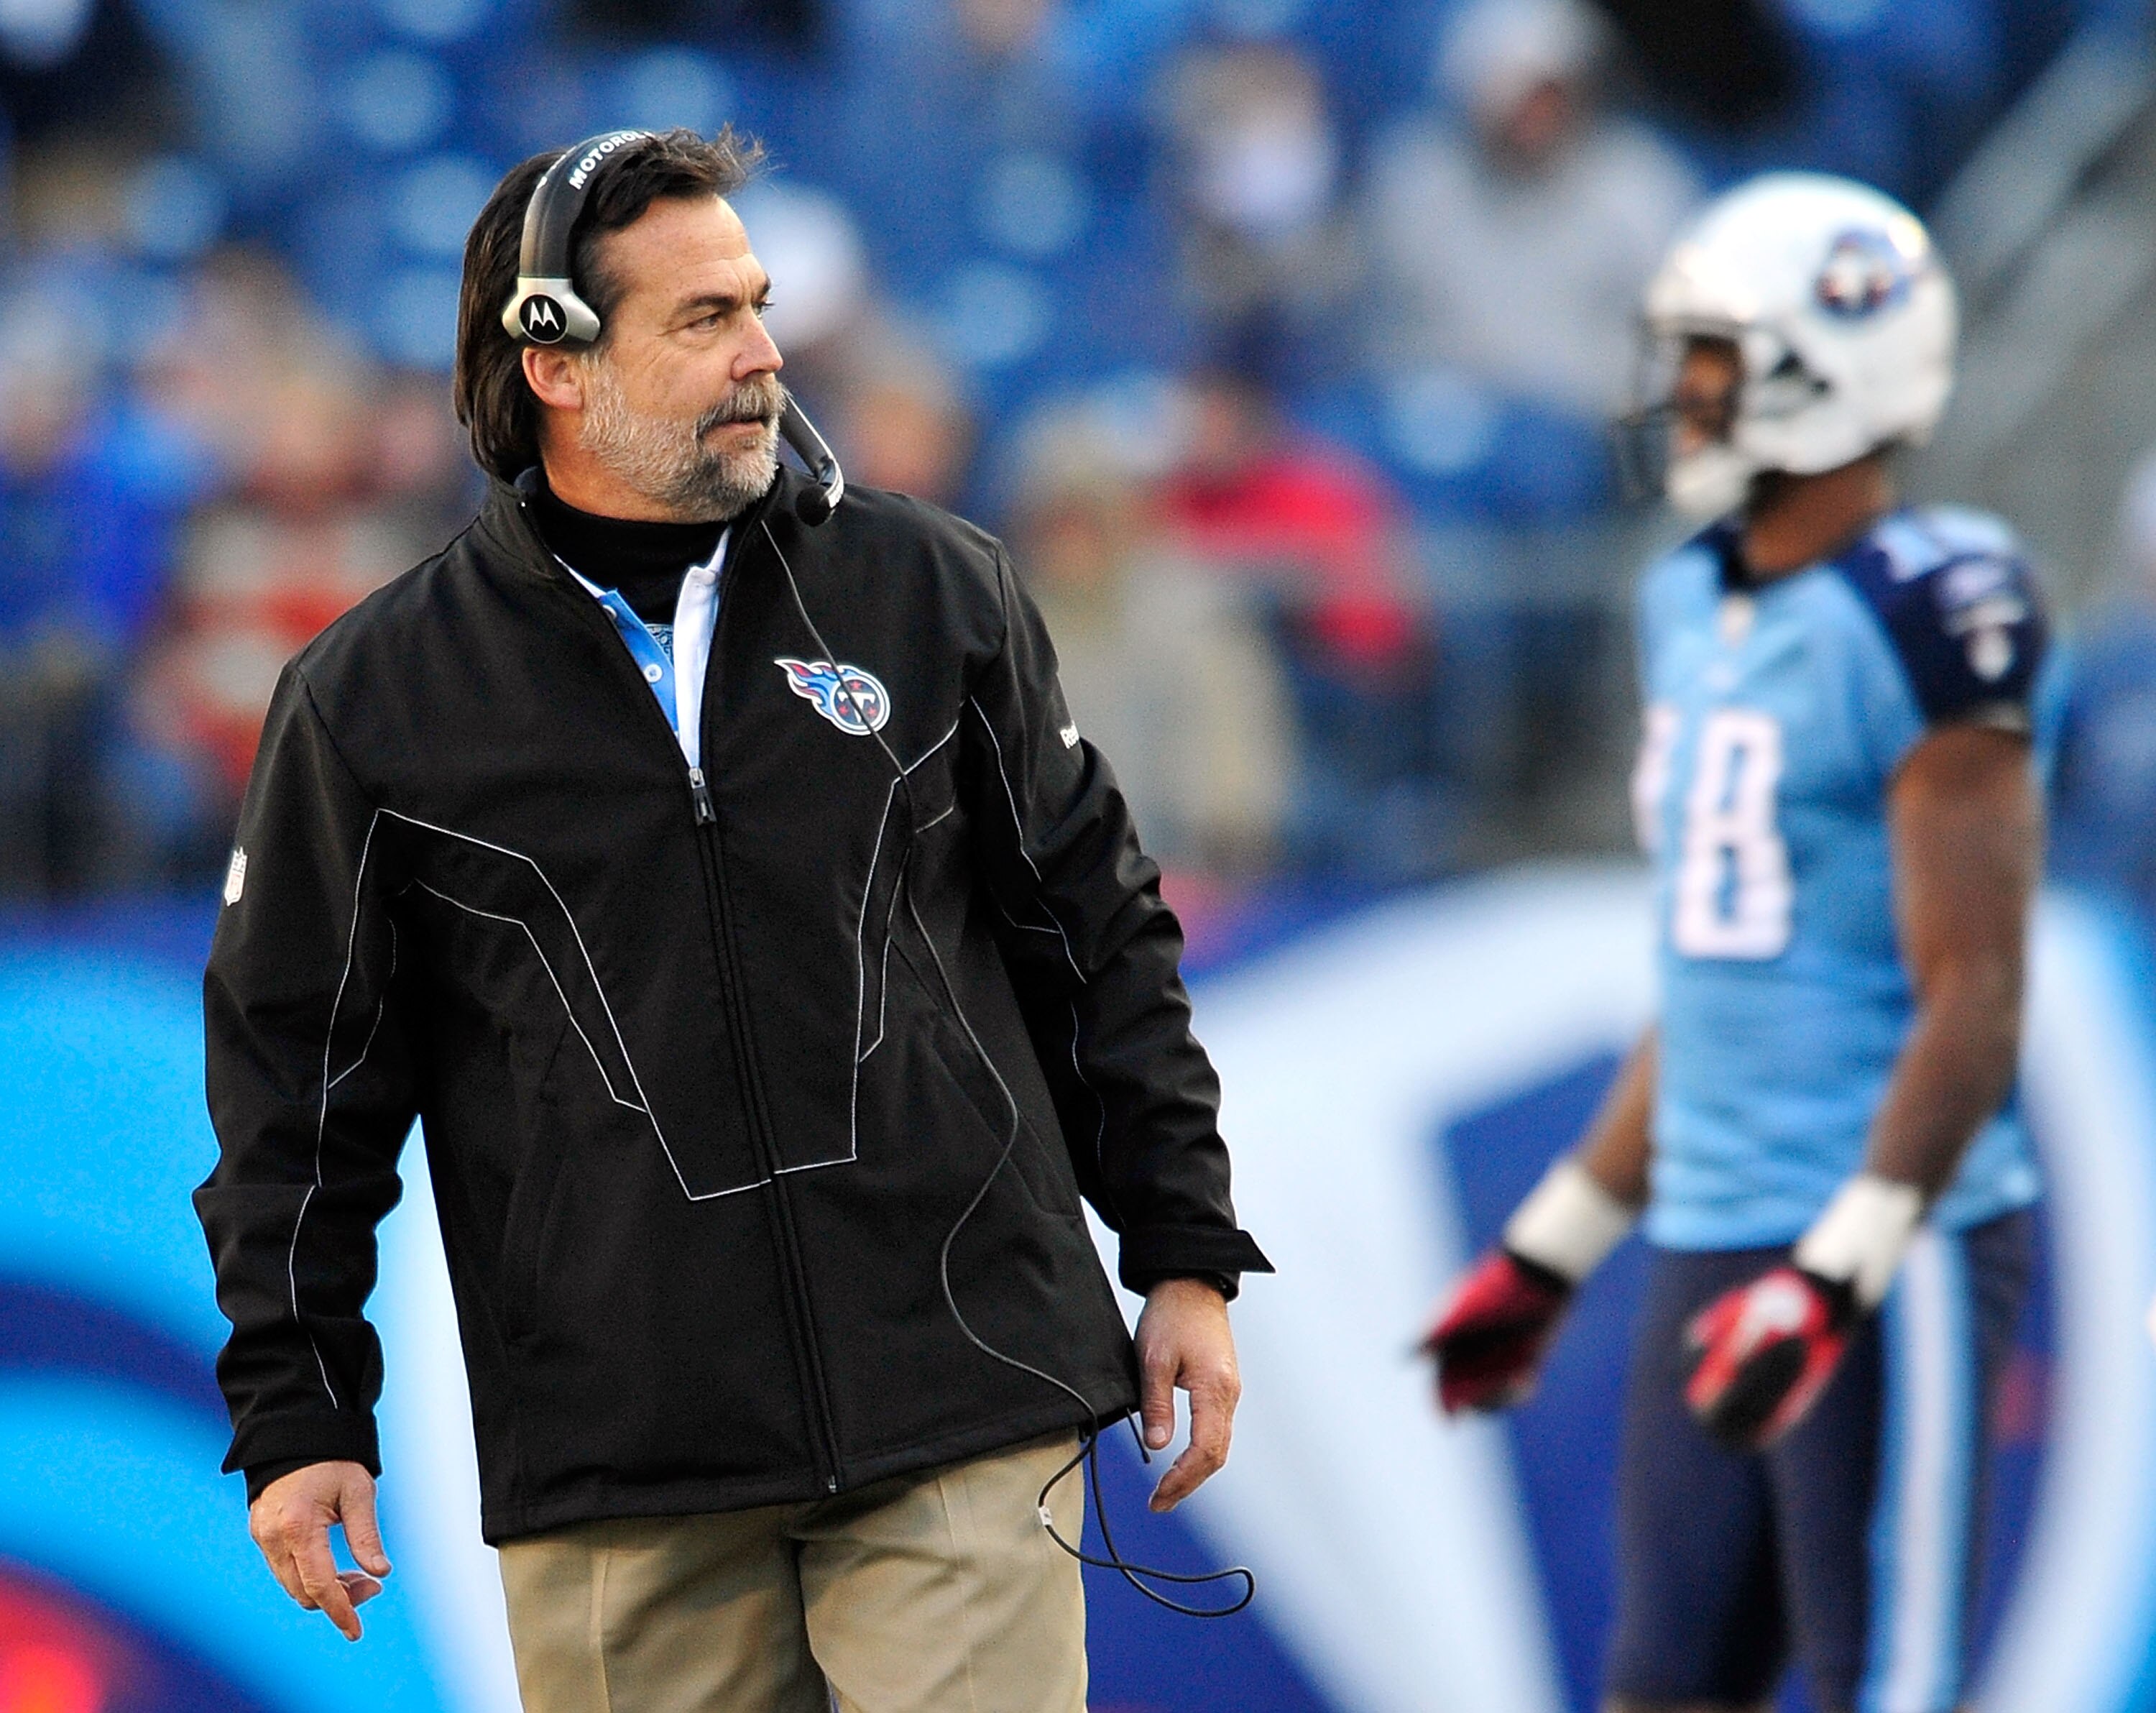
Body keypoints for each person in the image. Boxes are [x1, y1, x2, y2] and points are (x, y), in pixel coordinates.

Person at [194, 127, 1269, 1712]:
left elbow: (1098, 933)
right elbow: (298, 1087)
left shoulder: (935, 590)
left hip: (963, 1392)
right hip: (624, 1460)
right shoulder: (371, 700)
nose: (766, 351)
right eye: (703, 317)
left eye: (756, 303)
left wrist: (1182, 1246)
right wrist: (300, 1412)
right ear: (554, 359)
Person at [1421, 174, 2045, 1713]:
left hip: (1889, 1239)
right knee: (1665, 1681)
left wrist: (1835, 1276)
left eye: (1709, 357)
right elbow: (1713, 986)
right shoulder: (1690, 600)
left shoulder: (1929, 606)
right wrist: (1550, 1248)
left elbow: (1977, 991)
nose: (1677, 395)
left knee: (1880, 1681)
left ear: (1828, 364)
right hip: (1714, 1222)